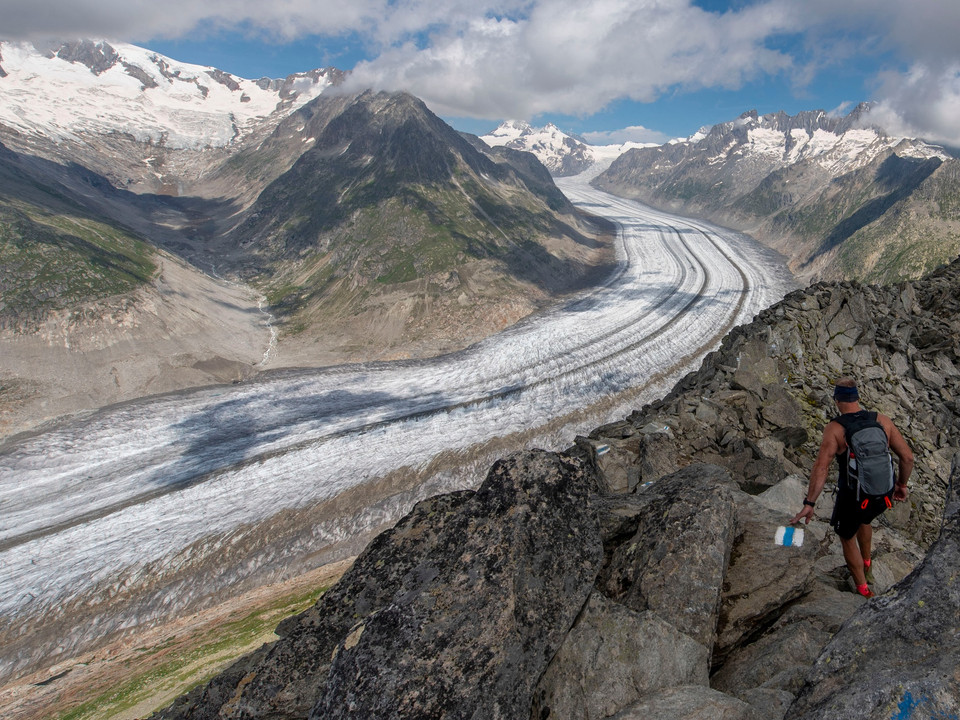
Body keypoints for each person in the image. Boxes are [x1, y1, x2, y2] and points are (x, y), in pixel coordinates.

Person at [792, 377, 913, 598]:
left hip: (854, 496)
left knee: (846, 535)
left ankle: (863, 590)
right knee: (864, 520)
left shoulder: (836, 429)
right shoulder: (882, 420)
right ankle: (867, 564)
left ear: (837, 400)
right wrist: (902, 485)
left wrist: (809, 503)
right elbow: (907, 457)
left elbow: (821, 468)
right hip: (882, 494)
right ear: (857, 397)